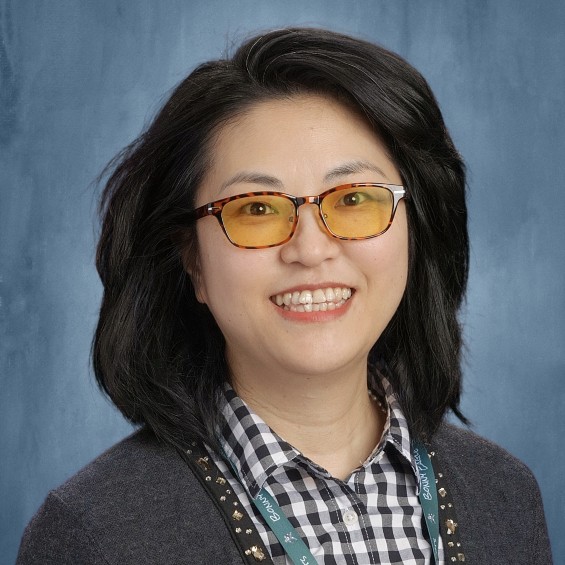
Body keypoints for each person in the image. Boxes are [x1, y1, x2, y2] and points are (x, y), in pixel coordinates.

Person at [17, 27, 552, 564]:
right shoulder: (97, 533)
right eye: (256, 208)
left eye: (354, 199)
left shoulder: (503, 495)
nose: (311, 248)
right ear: (192, 261)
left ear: (416, 230)